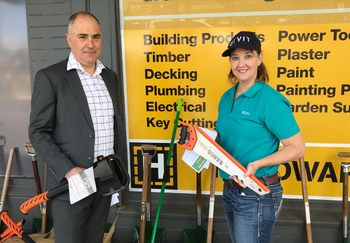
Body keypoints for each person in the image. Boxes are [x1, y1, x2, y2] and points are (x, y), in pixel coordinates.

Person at [28, 11, 127, 243]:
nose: (90, 44)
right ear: (69, 39)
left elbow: (114, 126)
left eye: (96, 36)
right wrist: (69, 170)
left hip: (105, 182)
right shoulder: (51, 77)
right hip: (71, 186)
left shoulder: (109, 77)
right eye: (82, 36)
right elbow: (38, 132)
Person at [217, 31, 305, 243]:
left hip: (257, 191)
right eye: (235, 57)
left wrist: (256, 164)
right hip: (230, 188)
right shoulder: (227, 96)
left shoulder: (271, 101)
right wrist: (201, 145)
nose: (241, 63)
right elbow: (226, 138)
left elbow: (297, 147)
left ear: (259, 58)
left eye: (248, 56)